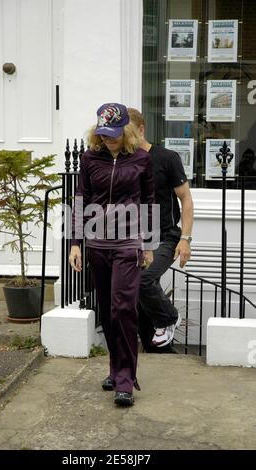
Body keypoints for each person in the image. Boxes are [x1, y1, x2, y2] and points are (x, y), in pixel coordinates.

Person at [69, 103, 155, 406]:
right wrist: (75, 243)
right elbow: (81, 198)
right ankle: (116, 368)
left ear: (127, 130)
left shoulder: (142, 159)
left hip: (128, 242)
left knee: (123, 309)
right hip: (97, 243)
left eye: (114, 135)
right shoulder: (90, 158)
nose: (109, 140)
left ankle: (125, 381)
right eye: (103, 135)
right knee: (106, 310)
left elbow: (148, 201)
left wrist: (148, 245)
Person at [128, 108, 194, 352]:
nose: (127, 141)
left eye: (130, 134)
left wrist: (185, 239)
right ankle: (155, 349)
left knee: (144, 280)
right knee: (135, 296)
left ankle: (168, 318)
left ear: (142, 129)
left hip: (165, 237)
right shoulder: (123, 161)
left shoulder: (167, 158)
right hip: (134, 239)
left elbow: (186, 199)